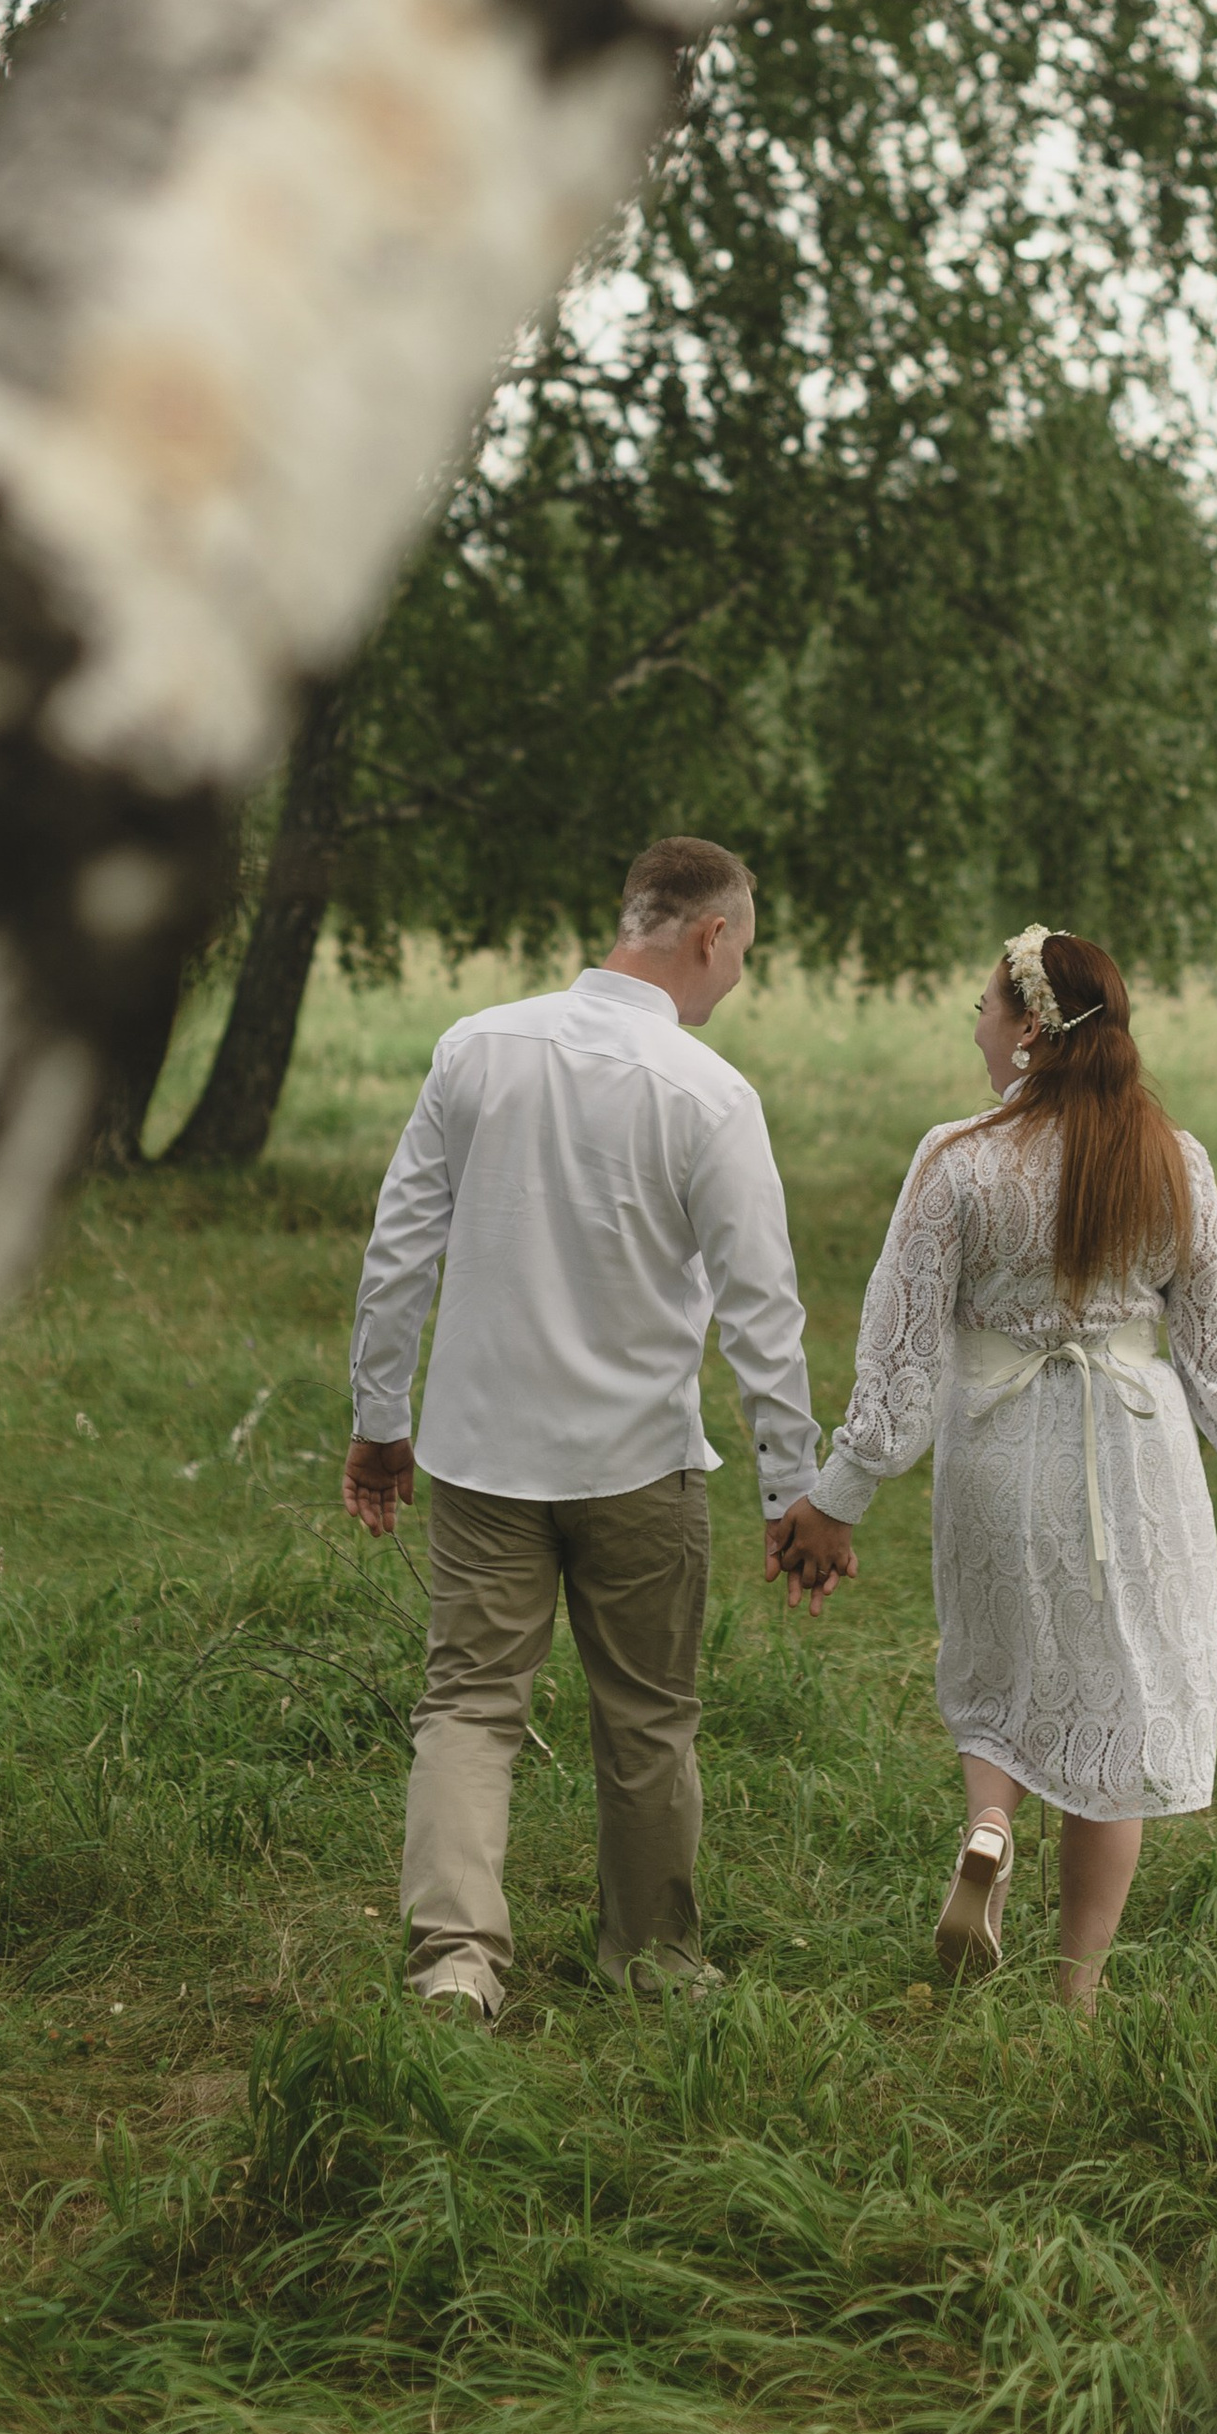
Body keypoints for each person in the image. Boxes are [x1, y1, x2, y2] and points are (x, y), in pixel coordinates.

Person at [344, 836, 839, 2021]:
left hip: (477, 1449)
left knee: (466, 1703)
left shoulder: (477, 1048)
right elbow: (761, 1309)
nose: (736, 982)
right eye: (743, 954)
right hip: (637, 1464)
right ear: (708, 932)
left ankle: (456, 1961)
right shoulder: (708, 1094)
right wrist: (792, 1489)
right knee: (648, 1718)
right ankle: (653, 1960)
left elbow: (400, 1244)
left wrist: (378, 1416)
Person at [767, 925, 1217, 2010]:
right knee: (1116, 1702)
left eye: (981, 1006)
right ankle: (1077, 1988)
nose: (973, 1024)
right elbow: (1214, 1351)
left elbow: (900, 1354)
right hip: (1139, 1457)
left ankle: (991, 1820)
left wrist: (836, 1498)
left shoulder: (957, 1159)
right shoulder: (1173, 1157)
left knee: (1001, 1669)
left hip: (1002, 1452)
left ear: (1027, 1031)